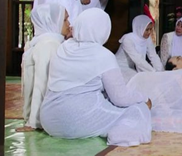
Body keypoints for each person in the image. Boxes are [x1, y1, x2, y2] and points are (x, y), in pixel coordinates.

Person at [40, 9, 152, 146]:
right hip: (79, 120)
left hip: (49, 121)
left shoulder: (63, 48)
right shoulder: (104, 55)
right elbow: (120, 98)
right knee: (138, 110)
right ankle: (120, 135)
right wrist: (144, 98)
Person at [18, 4, 70, 132]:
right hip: (42, 117)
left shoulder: (44, 43)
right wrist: (33, 122)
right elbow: (41, 85)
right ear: (52, 22)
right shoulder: (48, 45)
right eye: (64, 20)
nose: (69, 24)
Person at [115, 15, 163, 83]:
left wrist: (161, 72)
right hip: (119, 67)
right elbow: (138, 59)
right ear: (139, 28)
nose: (149, 32)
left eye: (150, 29)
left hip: (131, 68)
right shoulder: (127, 39)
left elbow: (153, 56)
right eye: (146, 29)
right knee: (137, 81)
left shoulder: (147, 38)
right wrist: (153, 72)